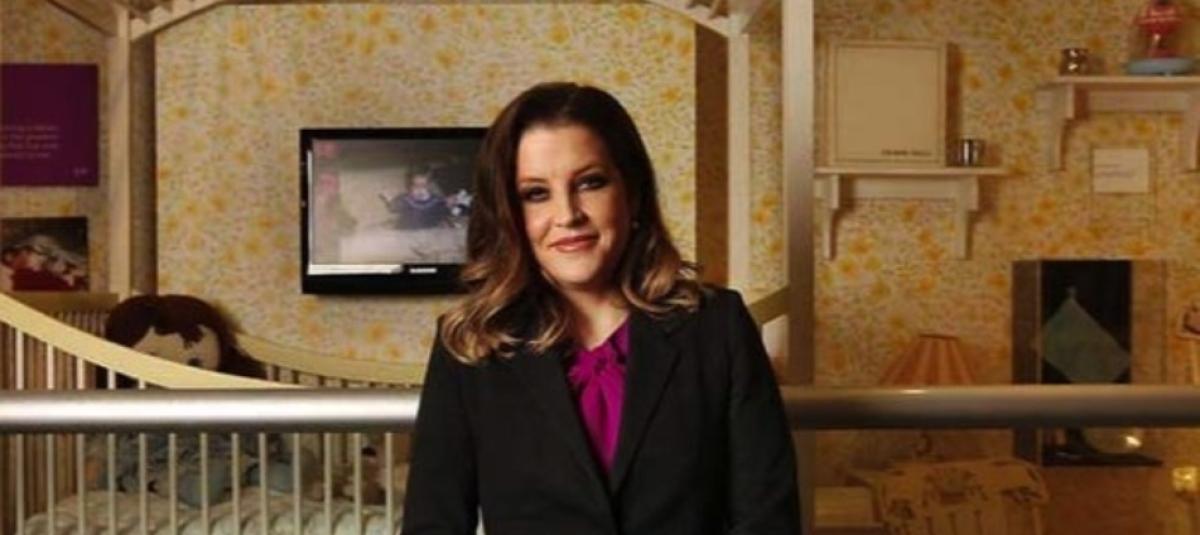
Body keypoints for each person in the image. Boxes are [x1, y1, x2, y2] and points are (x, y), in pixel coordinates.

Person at [402, 82, 799, 535]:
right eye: (536, 193)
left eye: (590, 183)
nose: (568, 215)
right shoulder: (469, 346)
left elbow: (768, 519)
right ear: (509, 213)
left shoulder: (717, 326)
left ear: (632, 192)